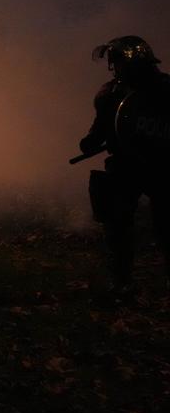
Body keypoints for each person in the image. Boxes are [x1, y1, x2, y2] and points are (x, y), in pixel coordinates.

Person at [78, 36, 170, 297]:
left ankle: (122, 282)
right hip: (128, 164)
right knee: (117, 225)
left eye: (116, 61)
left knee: (163, 225)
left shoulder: (161, 91)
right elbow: (100, 131)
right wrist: (90, 142)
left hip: (159, 165)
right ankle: (121, 281)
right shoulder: (112, 94)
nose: (114, 67)